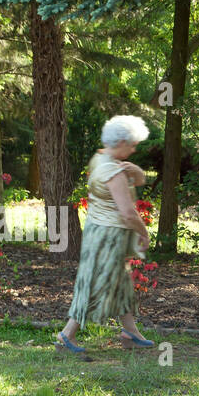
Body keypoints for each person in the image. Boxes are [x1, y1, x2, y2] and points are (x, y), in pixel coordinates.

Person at [56, 114, 155, 352]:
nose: (133, 150)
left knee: (120, 283)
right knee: (94, 283)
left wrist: (136, 170)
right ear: (120, 142)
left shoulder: (100, 159)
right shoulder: (113, 171)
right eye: (132, 145)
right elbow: (129, 213)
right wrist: (145, 233)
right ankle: (66, 335)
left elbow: (140, 180)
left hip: (98, 230)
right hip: (109, 236)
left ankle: (130, 333)